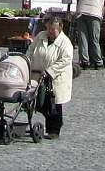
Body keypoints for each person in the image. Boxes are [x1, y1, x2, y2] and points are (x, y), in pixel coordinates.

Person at [25, 13, 75, 141]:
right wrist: (26, 62)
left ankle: (54, 130)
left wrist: (50, 71)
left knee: (54, 104)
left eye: (53, 30)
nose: (50, 32)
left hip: (56, 78)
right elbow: (31, 50)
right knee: (41, 102)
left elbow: (65, 61)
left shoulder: (65, 43)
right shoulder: (41, 36)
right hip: (37, 75)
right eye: (49, 29)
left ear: (60, 28)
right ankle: (45, 125)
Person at [75, 0, 105, 69]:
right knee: (94, 39)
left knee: (83, 38)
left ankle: (84, 61)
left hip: (81, 13)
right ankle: (98, 62)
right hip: (94, 14)